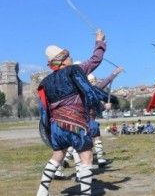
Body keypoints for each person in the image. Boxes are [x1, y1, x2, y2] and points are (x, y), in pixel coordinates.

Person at [36, 30, 107, 196]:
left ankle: (42, 191)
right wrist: (99, 42)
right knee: (86, 156)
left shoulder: (45, 82)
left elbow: (45, 108)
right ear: (63, 60)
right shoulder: (74, 70)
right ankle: (85, 193)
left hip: (56, 127)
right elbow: (95, 60)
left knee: (58, 155)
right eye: (69, 56)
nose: (71, 58)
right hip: (75, 124)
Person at [87, 66, 124, 166]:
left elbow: (105, 82)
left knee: (77, 140)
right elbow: (92, 105)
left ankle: (66, 159)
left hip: (83, 120)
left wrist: (115, 73)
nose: (95, 82)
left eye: (94, 80)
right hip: (87, 119)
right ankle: (100, 159)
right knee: (96, 137)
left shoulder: (88, 90)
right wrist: (104, 106)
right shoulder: (91, 90)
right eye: (92, 81)